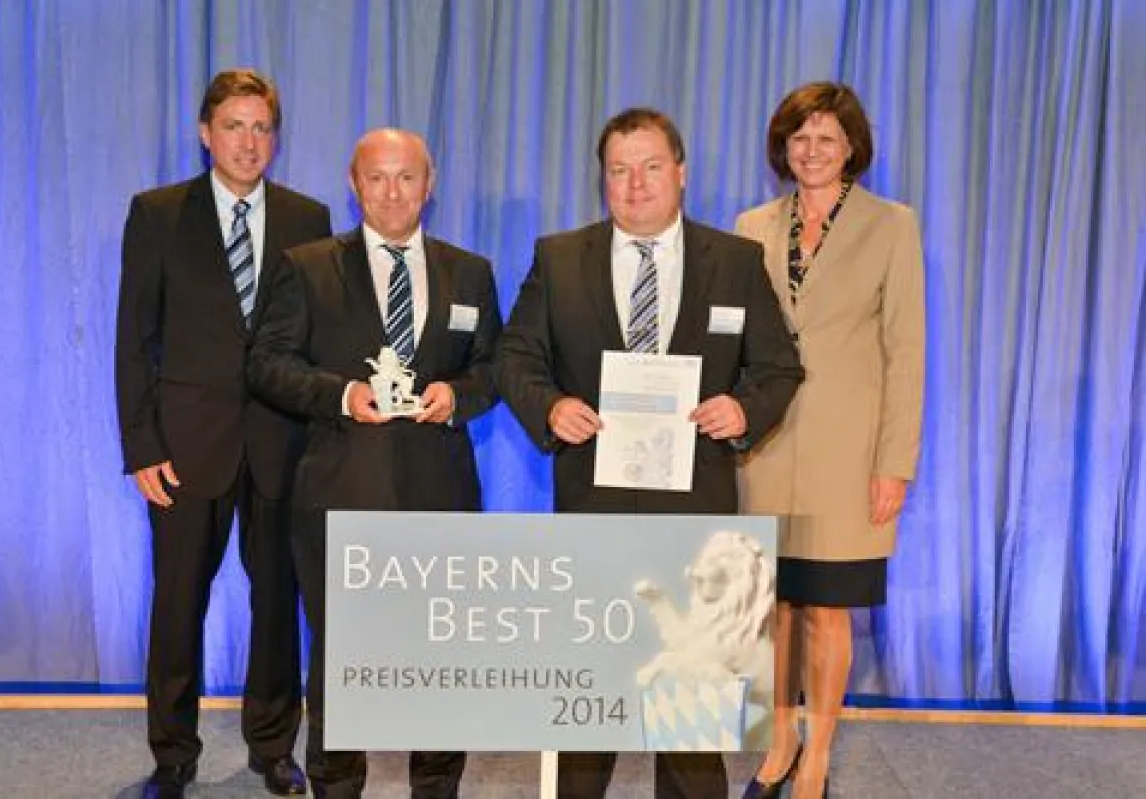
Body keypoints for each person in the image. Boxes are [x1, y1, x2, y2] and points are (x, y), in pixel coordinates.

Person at [495, 108, 805, 799]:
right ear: (603, 178)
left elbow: (778, 368)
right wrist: (548, 405)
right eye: (619, 170)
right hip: (591, 511)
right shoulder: (557, 256)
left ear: (681, 173)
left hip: (697, 516)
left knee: (690, 723)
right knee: (588, 712)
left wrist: (742, 409)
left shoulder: (734, 260)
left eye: (652, 166)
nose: (635, 184)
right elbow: (514, 356)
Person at [247, 128, 502, 799]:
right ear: (354, 184)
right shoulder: (305, 266)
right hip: (339, 495)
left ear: (431, 182)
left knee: (442, 661)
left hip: (440, 496)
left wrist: (459, 396)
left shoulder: (470, 271)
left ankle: (437, 786)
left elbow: (494, 367)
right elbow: (267, 364)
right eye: (377, 178)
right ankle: (336, 786)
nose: (393, 192)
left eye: (407, 177)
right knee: (341, 661)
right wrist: (339, 395)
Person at [115, 69, 332, 798]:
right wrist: (141, 446)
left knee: (277, 602)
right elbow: (132, 339)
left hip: (280, 446)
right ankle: (172, 753)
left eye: (261, 127)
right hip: (183, 447)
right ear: (206, 133)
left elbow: (312, 340)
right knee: (178, 602)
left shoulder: (309, 217)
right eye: (234, 126)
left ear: (276, 136)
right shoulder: (157, 213)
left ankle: (274, 747)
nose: (249, 141)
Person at [734, 82, 925, 799]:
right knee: (771, 606)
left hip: (850, 452)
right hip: (766, 445)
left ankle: (818, 754)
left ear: (852, 149)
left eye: (827, 139)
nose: (812, 151)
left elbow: (907, 352)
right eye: (799, 139)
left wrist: (894, 463)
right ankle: (778, 741)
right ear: (783, 148)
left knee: (825, 607)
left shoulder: (891, 225)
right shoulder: (751, 224)